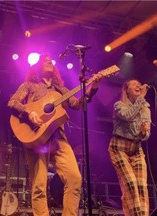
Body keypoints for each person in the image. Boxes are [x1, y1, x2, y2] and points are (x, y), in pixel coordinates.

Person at [7, 54, 102, 216]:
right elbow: (12, 102)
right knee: (39, 186)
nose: (49, 62)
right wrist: (28, 112)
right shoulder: (29, 85)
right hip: (35, 138)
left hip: (58, 138)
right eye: (45, 61)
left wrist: (92, 88)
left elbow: (78, 105)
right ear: (37, 67)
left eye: (50, 60)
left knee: (74, 178)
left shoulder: (60, 90)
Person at [108, 79, 151, 216]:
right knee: (130, 184)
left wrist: (145, 132)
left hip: (136, 149)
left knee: (141, 187)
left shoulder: (145, 109)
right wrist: (141, 99)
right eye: (133, 84)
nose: (138, 85)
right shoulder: (119, 105)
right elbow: (128, 115)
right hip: (119, 147)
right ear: (127, 90)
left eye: (139, 83)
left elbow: (146, 134)